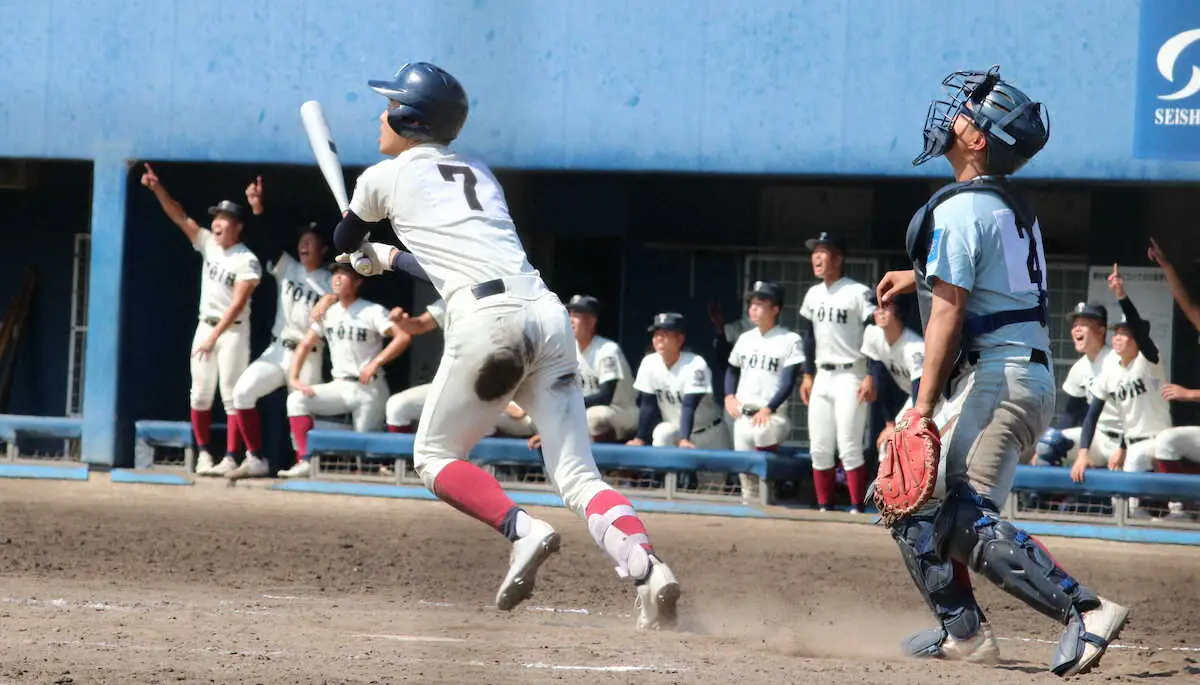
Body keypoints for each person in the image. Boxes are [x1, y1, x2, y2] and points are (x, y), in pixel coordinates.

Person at [329, 62, 680, 630]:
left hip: (488, 324)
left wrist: (360, 247)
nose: (380, 114)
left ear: (408, 117)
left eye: (389, 105)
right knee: (579, 476)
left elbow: (343, 238)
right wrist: (387, 257)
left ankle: (524, 530)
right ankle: (649, 569)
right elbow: (451, 263)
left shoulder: (380, 177)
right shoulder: (480, 172)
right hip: (544, 312)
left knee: (434, 456)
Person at [876, 65, 1126, 676]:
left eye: (964, 112)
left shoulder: (962, 212)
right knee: (909, 503)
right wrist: (921, 276)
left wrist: (920, 410)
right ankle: (962, 633)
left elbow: (949, 316)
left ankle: (1084, 609)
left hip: (999, 375)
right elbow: (990, 282)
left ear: (979, 139)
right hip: (1016, 371)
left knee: (954, 510)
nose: (952, 116)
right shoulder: (1005, 206)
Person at [140, 163, 261, 476]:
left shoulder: (246, 258)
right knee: (200, 393)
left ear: (238, 226)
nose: (218, 223)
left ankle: (232, 457)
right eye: (217, 217)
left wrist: (213, 337)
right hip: (205, 325)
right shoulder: (208, 242)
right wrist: (157, 188)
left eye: (225, 219)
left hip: (231, 331)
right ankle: (205, 453)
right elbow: (179, 215)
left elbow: (237, 305)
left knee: (232, 395)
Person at [227, 178, 334, 480]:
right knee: (242, 392)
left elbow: (351, 281)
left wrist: (332, 298)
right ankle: (255, 457)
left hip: (310, 352)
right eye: (302, 240)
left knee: (300, 406)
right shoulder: (289, 267)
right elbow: (267, 240)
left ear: (323, 249)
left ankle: (305, 461)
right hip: (278, 348)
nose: (303, 245)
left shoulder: (331, 281)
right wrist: (258, 209)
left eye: (311, 241)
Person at [1073, 266, 1197, 519]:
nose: (1117, 338)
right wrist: (1090, 451)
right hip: (1129, 443)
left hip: (1156, 438)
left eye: (1125, 334)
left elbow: (1140, 329)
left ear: (1137, 340)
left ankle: (1178, 509)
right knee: (1124, 506)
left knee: (1138, 462)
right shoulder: (1111, 371)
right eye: (1116, 334)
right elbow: (1092, 414)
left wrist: (1121, 294)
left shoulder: (1149, 360)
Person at [279, 263, 412, 478]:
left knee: (366, 458)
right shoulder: (329, 312)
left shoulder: (372, 310)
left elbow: (403, 337)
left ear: (358, 281)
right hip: (339, 385)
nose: (338, 278)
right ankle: (304, 460)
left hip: (369, 387)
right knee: (296, 400)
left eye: (344, 274)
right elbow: (304, 344)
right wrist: (294, 378)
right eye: (335, 274)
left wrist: (375, 363)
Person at [798, 232, 876, 512]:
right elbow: (808, 336)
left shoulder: (857, 291)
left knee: (849, 445)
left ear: (839, 257)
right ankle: (824, 508)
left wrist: (871, 374)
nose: (817, 257)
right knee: (819, 447)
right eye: (814, 252)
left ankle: (857, 507)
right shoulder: (813, 293)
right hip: (822, 375)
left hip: (851, 374)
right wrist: (807, 374)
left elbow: (874, 331)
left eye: (824, 251)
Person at [723, 281, 803, 504]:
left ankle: (776, 488)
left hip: (773, 416)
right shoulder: (745, 339)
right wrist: (729, 396)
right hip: (743, 415)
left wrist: (769, 408)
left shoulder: (789, 339)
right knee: (746, 484)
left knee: (761, 435)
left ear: (776, 309)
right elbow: (731, 369)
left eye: (761, 303)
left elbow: (788, 382)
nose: (754, 308)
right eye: (752, 304)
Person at [1030, 302, 1124, 477]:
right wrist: (1045, 448)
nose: (1076, 330)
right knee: (1049, 443)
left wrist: (1123, 447)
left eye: (1084, 325)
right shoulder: (1080, 368)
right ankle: (1043, 502)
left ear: (1101, 331)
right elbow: (1071, 415)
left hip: (1123, 441)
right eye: (1074, 325)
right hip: (1098, 437)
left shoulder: (1117, 361)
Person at [628, 313, 731, 452]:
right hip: (676, 431)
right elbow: (647, 404)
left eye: (665, 334)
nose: (659, 338)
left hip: (709, 433)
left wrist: (684, 439)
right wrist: (639, 438)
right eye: (656, 334)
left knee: (713, 474)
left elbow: (689, 405)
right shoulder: (649, 362)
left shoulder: (695, 363)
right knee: (662, 432)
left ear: (680, 339)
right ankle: (666, 473)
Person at [860, 294, 925, 449]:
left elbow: (921, 395)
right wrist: (890, 424)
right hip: (914, 397)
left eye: (886, 306)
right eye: (877, 307)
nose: (880, 311)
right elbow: (879, 378)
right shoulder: (873, 334)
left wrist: (910, 425)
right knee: (888, 445)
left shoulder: (915, 348)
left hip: (935, 400)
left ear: (900, 312)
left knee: (907, 445)